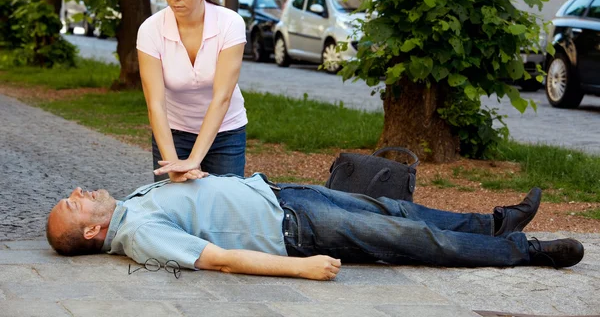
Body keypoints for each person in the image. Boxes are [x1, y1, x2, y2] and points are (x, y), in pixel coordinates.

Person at [46, 174, 585, 280]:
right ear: (93, 234)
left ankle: (495, 223)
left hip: (283, 194)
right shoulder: (139, 236)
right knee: (415, 240)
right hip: (293, 228)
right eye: (73, 206)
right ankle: (525, 251)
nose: (77, 194)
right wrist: (299, 269)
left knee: (398, 210)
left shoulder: (130, 204)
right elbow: (219, 258)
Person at [137, 0, 247, 183]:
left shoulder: (230, 24)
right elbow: (155, 104)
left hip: (226, 132)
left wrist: (194, 160)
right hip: (174, 133)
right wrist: (174, 164)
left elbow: (222, 97)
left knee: (225, 208)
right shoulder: (150, 30)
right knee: (173, 209)